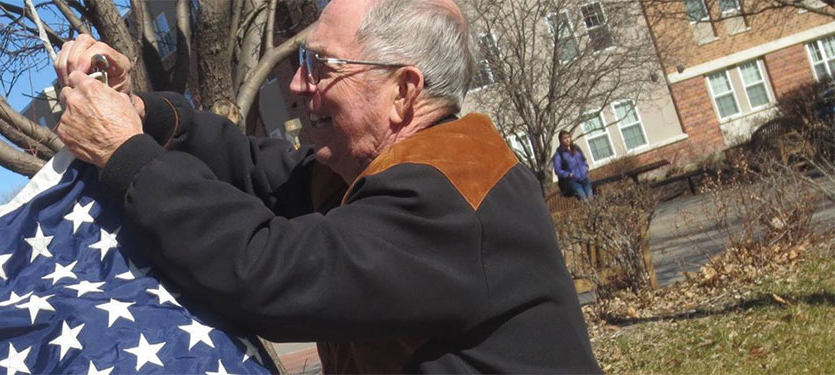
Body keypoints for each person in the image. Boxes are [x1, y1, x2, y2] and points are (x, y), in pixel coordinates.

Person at [52, 0, 600, 372]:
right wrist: (138, 111)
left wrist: (126, 156)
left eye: (320, 65)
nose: (295, 83)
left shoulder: (450, 193)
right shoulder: (367, 174)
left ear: (403, 92)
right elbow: (252, 172)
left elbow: (270, 270)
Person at [554, 130, 594, 200]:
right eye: (564, 138)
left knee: (591, 198)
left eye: (568, 137)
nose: (567, 140)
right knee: (584, 199)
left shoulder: (576, 148)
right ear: (561, 140)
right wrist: (568, 174)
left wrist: (586, 168)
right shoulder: (559, 154)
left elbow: (584, 159)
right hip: (573, 181)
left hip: (584, 178)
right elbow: (557, 170)